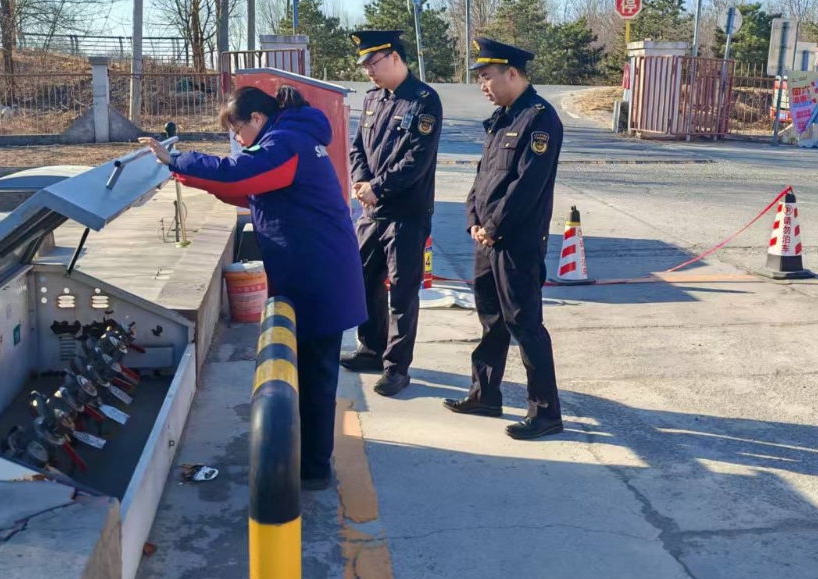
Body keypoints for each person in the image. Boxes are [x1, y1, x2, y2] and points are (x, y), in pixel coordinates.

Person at [141, 85, 366, 489]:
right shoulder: (292, 138)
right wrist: (190, 175)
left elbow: (238, 173)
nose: (238, 140)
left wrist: (177, 160)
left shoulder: (284, 142)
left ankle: (314, 468)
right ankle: (307, 455)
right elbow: (249, 189)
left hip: (317, 276)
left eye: (238, 130)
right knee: (308, 372)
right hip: (314, 271)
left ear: (258, 119)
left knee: (316, 376)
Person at [443, 36, 566, 440]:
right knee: (491, 320)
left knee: (525, 324)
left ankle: (545, 413)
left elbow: (527, 186)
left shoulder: (539, 118)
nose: (482, 85)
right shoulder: (503, 117)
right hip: (488, 239)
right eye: (480, 77)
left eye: (487, 76)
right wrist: (473, 220)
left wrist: (493, 227)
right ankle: (485, 394)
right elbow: (483, 178)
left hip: (516, 242)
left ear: (512, 73)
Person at [342, 30, 443, 397]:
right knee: (363, 281)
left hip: (405, 214)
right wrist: (361, 181)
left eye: (373, 62)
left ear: (395, 58)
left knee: (401, 292)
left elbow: (416, 160)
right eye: (364, 65)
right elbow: (358, 147)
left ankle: (397, 367)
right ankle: (371, 349)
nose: (367, 70)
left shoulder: (423, 100)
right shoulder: (373, 99)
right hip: (372, 211)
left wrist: (378, 188)